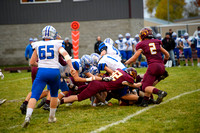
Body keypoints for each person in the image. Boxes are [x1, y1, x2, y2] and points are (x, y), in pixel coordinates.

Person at [22, 25, 75, 128]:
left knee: (34, 96)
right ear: (53, 34)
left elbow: (32, 62)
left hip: (41, 72)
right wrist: (71, 67)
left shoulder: (38, 45)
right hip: (54, 72)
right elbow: (66, 55)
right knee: (54, 95)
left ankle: (28, 117)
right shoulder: (57, 43)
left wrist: (42, 65)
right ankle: (51, 117)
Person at [125, 27, 169, 107]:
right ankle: (145, 102)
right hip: (162, 66)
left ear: (143, 35)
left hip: (153, 66)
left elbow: (135, 58)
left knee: (145, 87)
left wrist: (126, 62)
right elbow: (167, 55)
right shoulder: (156, 42)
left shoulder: (142, 44)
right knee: (148, 84)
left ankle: (160, 92)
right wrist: (163, 64)